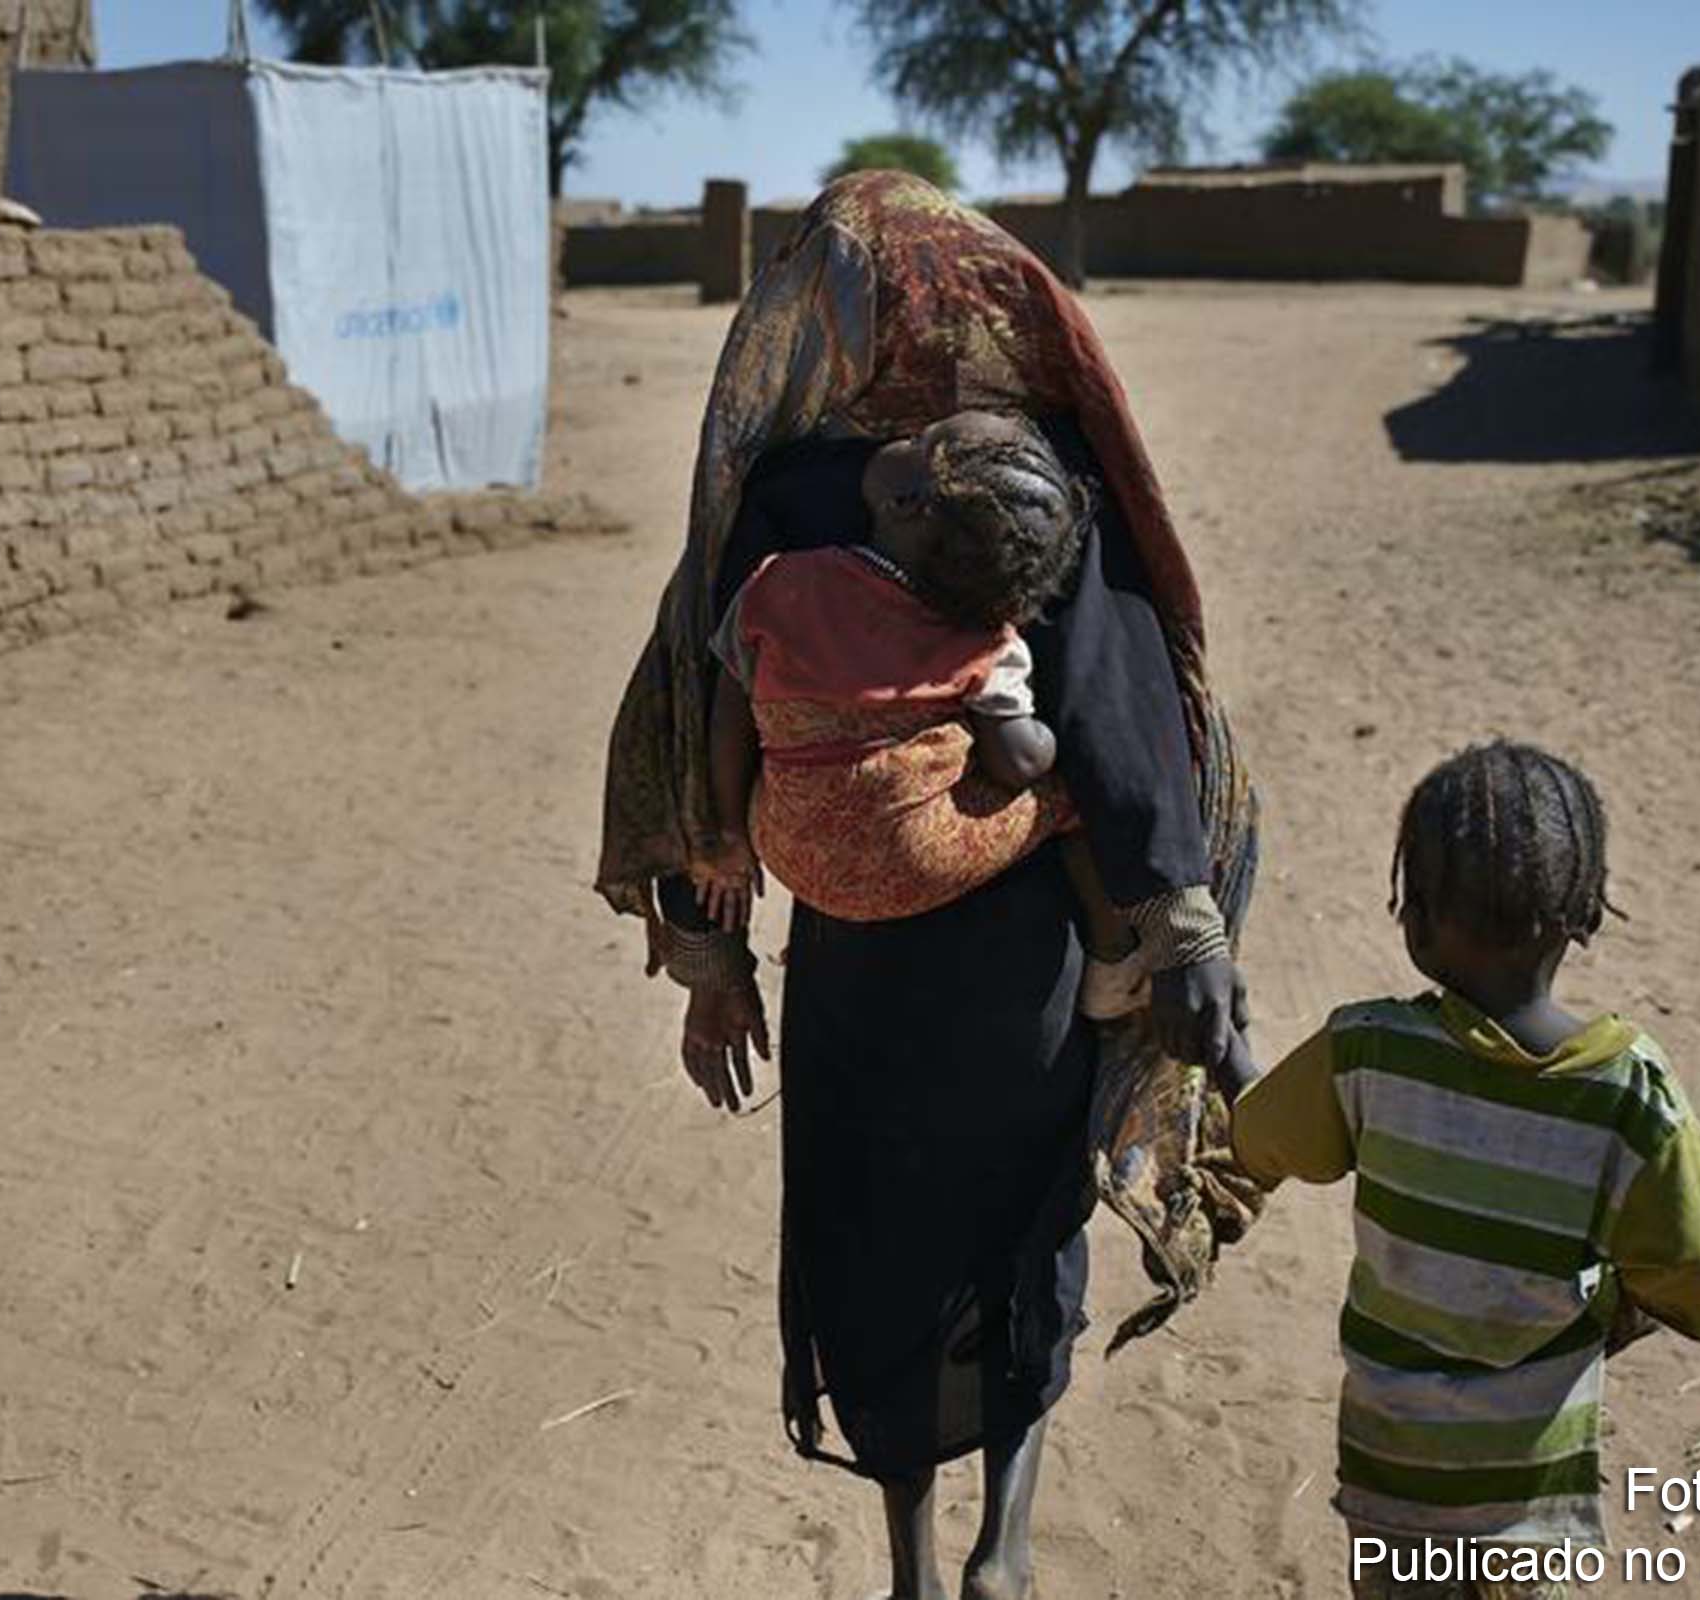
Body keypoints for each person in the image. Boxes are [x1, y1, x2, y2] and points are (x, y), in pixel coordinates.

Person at [595, 172, 1262, 1600]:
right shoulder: (1038, 474)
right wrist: (1181, 914)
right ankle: (1004, 1547)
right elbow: (1123, 697)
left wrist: (714, 962)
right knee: (1023, 1218)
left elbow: (693, 722)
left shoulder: (784, 493)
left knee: (873, 1231)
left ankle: (910, 1561)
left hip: (854, 966)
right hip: (1020, 963)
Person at [1231, 741, 1700, 1600]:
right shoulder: (1630, 1095)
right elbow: (1691, 1253)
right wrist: (1624, 1309)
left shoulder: (1367, 1052)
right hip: (1530, 1491)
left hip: (1394, 1471)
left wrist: (1225, 1048)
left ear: (1416, 920)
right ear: (1586, 912)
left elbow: (1261, 1140)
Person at [693, 409, 1151, 1020]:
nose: (904, 434)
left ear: (905, 504)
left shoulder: (780, 583)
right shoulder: (984, 643)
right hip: (909, 863)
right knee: (1074, 800)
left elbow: (729, 713)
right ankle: (1114, 956)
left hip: (784, 846)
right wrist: (1045, 744)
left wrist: (729, 833)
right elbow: (1015, 765)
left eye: (916, 442)